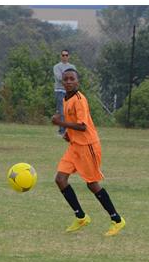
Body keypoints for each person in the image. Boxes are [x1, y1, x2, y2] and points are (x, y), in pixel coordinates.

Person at [50, 68, 126, 236]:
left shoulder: (80, 100)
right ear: (62, 82)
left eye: (72, 79)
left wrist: (60, 124)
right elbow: (73, 122)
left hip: (88, 145)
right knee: (60, 179)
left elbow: (83, 126)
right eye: (66, 79)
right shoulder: (66, 98)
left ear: (78, 81)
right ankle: (81, 217)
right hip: (75, 146)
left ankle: (117, 219)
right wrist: (68, 134)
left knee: (92, 184)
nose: (69, 82)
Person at [52, 49, 76, 136]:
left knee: (71, 111)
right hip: (60, 91)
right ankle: (62, 131)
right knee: (61, 111)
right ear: (61, 56)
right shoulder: (56, 67)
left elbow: (74, 78)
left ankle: (70, 131)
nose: (65, 57)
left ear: (69, 56)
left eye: (66, 55)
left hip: (70, 92)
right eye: (63, 55)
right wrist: (68, 78)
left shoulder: (72, 67)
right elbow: (59, 78)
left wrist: (65, 77)